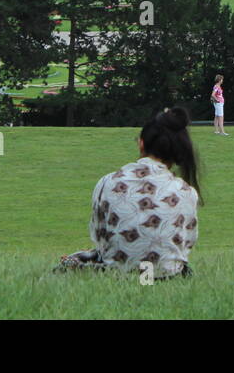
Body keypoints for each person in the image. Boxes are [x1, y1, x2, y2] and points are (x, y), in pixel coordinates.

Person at [57, 107, 201, 278]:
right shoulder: (186, 191)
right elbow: (185, 244)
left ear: (141, 143)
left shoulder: (108, 182)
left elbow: (100, 237)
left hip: (118, 274)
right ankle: (146, 281)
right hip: (165, 275)